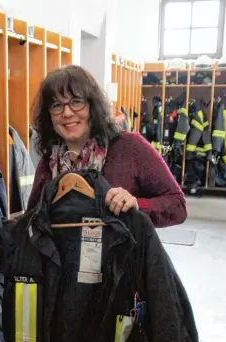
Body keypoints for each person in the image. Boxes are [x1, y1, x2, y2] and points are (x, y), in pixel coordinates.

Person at [28, 65, 187, 228]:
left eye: (76, 102)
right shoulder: (49, 160)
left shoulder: (129, 146)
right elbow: (31, 218)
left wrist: (137, 206)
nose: (67, 113)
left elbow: (178, 205)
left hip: (120, 252)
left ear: (93, 106)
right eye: (56, 105)